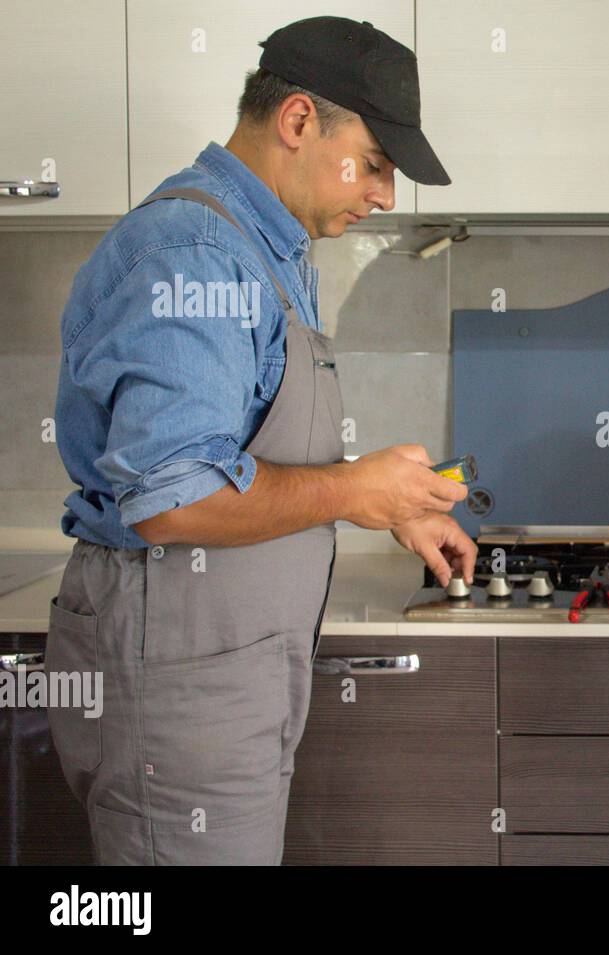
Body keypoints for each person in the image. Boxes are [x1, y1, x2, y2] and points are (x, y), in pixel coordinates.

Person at [46, 16, 476, 865]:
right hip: (178, 693)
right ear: (298, 121)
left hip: (221, 677)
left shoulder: (265, 249)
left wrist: (383, 502)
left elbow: (237, 455)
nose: (386, 195)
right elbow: (174, 499)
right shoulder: (196, 256)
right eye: (378, 163)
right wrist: (353, 491)